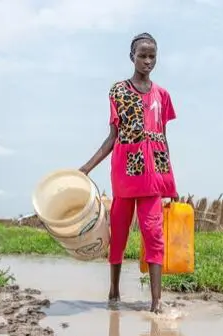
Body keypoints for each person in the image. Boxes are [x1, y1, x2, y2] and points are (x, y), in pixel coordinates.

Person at [79, 32, 178, 313]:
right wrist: (87, 168)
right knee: (119, 232)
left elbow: (163, 137)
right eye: (142, 55)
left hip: (154, 176)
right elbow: (112, 137)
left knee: (153, 232)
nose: (147, 61)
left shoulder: (163, 95)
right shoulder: (118, 91)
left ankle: (156, 302)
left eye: (152, 56)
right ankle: (114, 291)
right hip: (125, 172)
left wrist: (170, 181)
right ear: (131, 56)